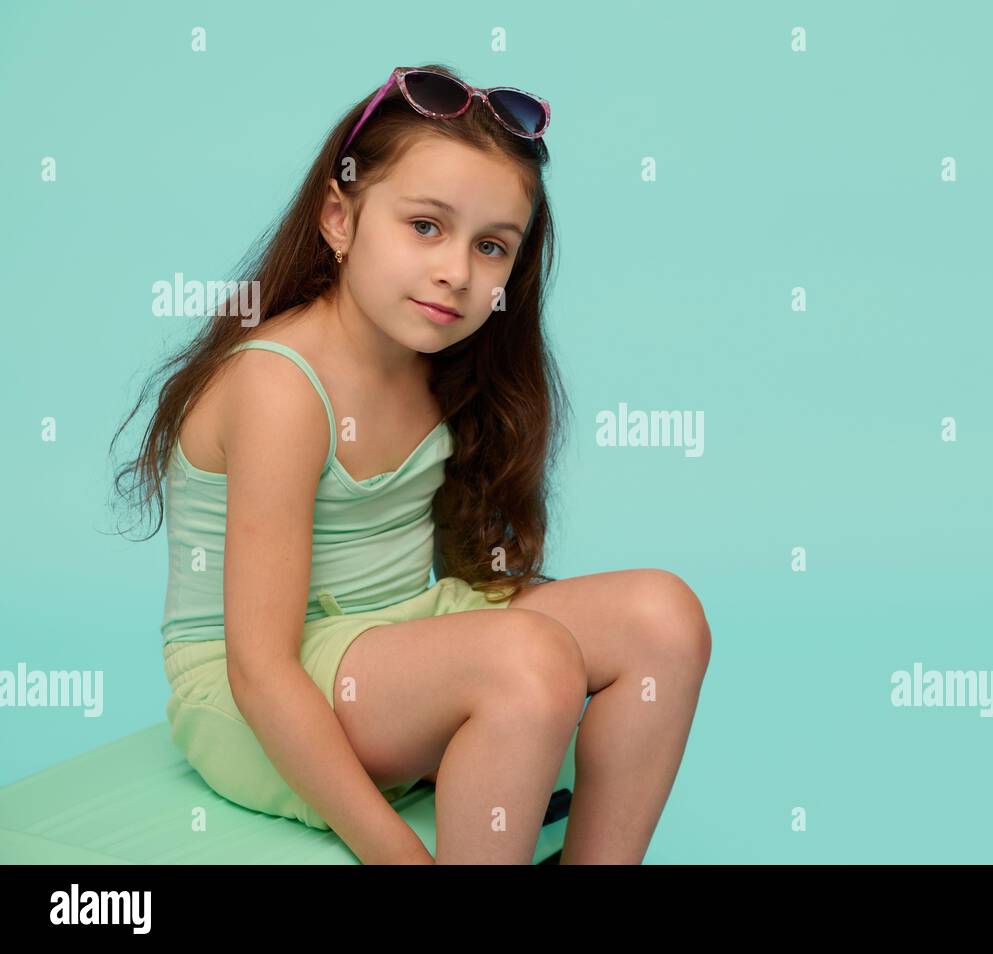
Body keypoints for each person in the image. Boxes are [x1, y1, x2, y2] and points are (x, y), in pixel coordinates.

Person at [110, 63, 712, 864]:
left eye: (491, 246)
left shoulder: (435, 359)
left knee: (664, 617)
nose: (456, 272)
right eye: (425, 226)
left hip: (393, 640)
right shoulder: (279, 387)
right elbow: (261, 672)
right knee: (528, 663)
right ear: (338, 219)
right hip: (254, 695)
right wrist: (398, 854)